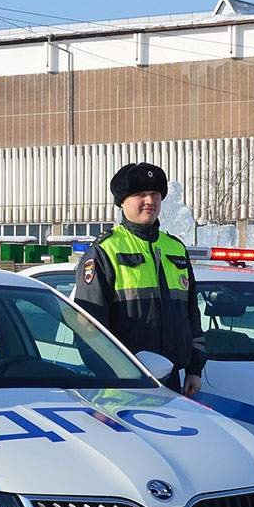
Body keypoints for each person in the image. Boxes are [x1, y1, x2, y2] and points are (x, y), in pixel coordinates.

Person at [73, 161, 204, 393]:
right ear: (122, 201)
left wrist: (194, 369)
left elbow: (191, 314)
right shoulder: (105, 250)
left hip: (172, 380)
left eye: (155, 194)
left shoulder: (175, 248)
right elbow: (87, 326)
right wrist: (114, 374)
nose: (150, 201)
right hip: (123, 382)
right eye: (140, 195)